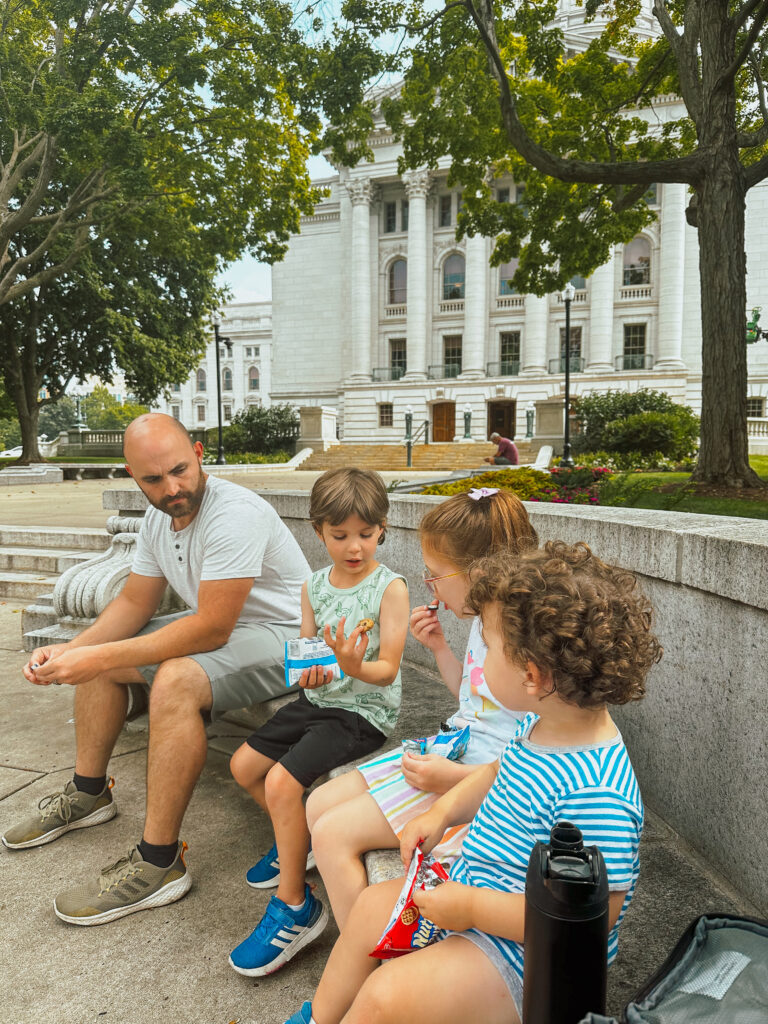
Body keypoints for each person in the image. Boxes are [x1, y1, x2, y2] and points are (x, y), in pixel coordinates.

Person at [283, 540, 663, 1024]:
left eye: (488, 646)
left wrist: (471, 908)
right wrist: (442, 813)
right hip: (480, 891)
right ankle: (320, 1017)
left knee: (387, 994)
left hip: (526, 955)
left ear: (532, 675)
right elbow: (496, 772)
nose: (479, 661)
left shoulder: (596, 792)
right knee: (371, 908)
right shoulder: (542, 724)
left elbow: (593, 916)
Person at [2, 413, 311, 927]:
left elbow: (211, 628)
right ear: (130, 474)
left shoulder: (234, 513)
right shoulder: (156, 519)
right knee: (109, 650)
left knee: (173, 678)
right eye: (153, 479)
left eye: (180, 470)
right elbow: (133, 601)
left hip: (289, 639)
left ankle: (159, 862)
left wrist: (97, 656)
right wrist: (71, 651)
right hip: (229, 630)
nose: (172, 489)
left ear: (197, 451)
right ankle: (87, 793)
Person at [305, 488, 538, 928]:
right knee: (317, 804)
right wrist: (438, 648)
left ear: (479, 572)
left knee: (332, 833)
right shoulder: (484, 619)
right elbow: (473, 701)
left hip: (481, 779)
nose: (430, 587)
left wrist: (452, 778)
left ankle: (366, 955)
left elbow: (542, 760)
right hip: (454, 750)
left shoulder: (523, 643)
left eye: (435, 575)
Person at [227, 468, 410, 977]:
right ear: (318, 531)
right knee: (244, 767)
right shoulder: (313, 584)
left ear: (383, 529)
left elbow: (388, 667)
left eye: (366, 535)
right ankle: (296, 845)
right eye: (340, 535)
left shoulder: (388, 587)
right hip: (319, 700)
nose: (355, 547)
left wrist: (353, 667)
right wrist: (308, 670)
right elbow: (307, 648)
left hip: (361, 711)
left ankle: (296, 905)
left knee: (283, 783)